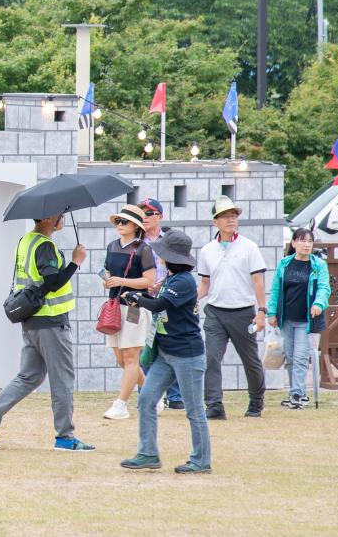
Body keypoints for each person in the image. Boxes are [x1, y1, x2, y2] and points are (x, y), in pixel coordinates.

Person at [0, 213, 93, 452]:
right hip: (50, 321)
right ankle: (65, 437)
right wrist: (75, 262)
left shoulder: (26, 240)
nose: (63, 219)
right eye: (61, 215)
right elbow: (52, 282)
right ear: (49, 218)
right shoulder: (45, 246)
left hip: (32, 321)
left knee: (30, 376)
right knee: (62, 379)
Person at [119, 230, 212, 474]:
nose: (158, 257)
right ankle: (148, 453)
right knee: (147, 399)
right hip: (166, 353)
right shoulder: (172, 279)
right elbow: (159, 301)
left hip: (187, 355)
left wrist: (136, 298)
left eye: (162, 253)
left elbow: (160, 305)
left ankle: (201, 460)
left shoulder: (184, 281)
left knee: (194, 410)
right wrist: (145, 295)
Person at [198, 195, 268, 419]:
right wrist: (192, 300)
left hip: (243, 311)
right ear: (215, 222)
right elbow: (205, 284)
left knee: (250, 359)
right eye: (225, 216)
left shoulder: (249, 247)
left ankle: (256, 401)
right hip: (215, 311)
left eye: (233, 216)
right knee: (211, 358)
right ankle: (214, 405)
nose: (230, 220)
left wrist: (261, 311)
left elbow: (258, 281)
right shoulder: (207, 250)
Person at [101, 205, 157, 421]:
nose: (120, 225)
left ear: (136, 226)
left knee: (131, 357)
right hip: (114, 306)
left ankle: (121, 404)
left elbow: (149, 281)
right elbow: (107, 271)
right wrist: (108, 280)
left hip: (135, 307)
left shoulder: (143, 249)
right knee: (122, 360)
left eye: (124, 222)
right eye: (118, 221)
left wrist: (122, 281)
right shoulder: (112, 246)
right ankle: (153, 396)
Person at [267, 228, 330, 409]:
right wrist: (272, 312)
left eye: (309, 241)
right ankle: (296, 393)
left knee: (301, 356)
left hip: (306, 320)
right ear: (294, 243)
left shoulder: (318, 265)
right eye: (302, 241)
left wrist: (318, 303)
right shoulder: (284, 264)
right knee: (290, 356)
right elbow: (276, 290)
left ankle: (297, 393)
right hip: (286, 318)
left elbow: (324, 288)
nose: (306, 244)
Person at [139, 198, 183, 410]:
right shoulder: (137, 240)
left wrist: (163, 283)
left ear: (160, 216)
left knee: (171, 343)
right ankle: (148, 394)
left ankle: (175, 396)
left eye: (150, 213)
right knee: (146, 346)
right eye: (142, 213)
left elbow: (182, 266)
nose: (145, 217)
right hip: (145, 298)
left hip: (169, 296)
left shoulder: (171, 239)